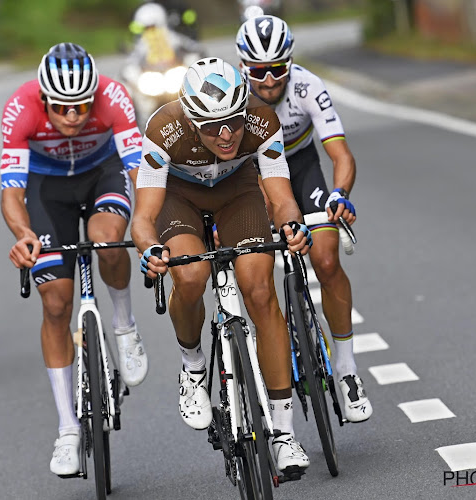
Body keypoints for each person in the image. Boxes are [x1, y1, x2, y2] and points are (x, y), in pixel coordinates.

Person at [132, 57, 312, 474]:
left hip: (238, 193)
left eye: (234, 120)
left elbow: (281, 197)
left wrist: (291, 224)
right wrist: (149, 249)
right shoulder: (163, 128)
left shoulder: (263, 120)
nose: (227, 134)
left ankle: (284, 435)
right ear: (192, 121)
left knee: (260, 290)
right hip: (180, 198)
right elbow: (143, 218)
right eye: (213, 127)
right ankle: (193, 362)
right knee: (191, 274)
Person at [0, 42, 148, 476]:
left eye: (82, 106)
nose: (73, 116)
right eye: (62, 108)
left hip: (102, 173)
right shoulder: (20, 108)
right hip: (48, 190)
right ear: (44, 99)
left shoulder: (115, 96)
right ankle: (68, 429)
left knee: (107, 240)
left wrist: (149, 222)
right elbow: (11, 191)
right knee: (56, 303)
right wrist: (23, 233)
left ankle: (124, 325)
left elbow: (140, 169)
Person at [235, 15, 373, 423]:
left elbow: (341, 154)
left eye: (278, 67)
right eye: (258, 71)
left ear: (290, 62)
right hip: (254, 172)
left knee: (327, 260)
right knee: (257, 274)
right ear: (244, 68)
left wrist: (340, 193)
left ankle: (347, 370)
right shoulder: (235, 97)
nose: (270, 79)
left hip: (302, 164)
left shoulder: (307, 86)